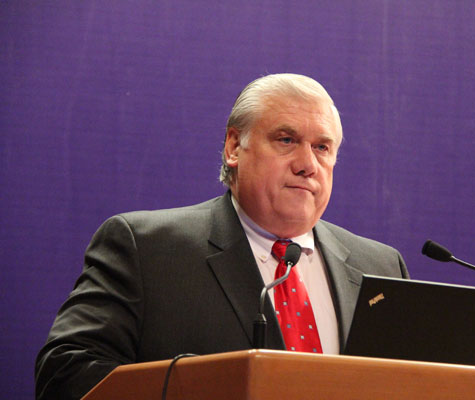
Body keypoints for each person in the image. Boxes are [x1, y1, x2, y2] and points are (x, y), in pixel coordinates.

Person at [35, 73, 409, 399]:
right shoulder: (147, 249)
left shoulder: (380, 266)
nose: (307, 165)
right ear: (234, 147)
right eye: (286, 140)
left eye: (322, 147)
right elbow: (66, 374)